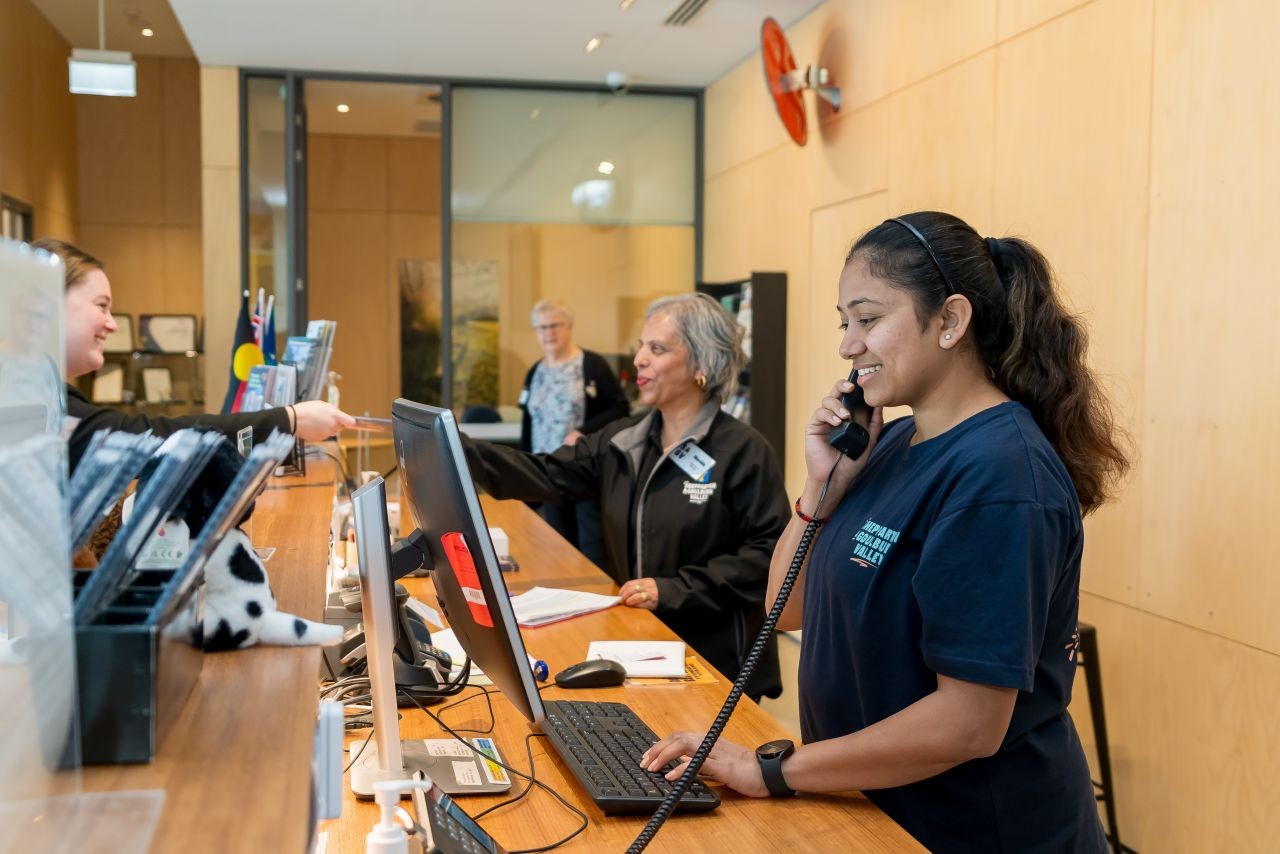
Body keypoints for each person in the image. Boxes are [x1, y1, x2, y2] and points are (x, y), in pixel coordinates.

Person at [643, 212, 1130, 852]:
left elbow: (968, 725)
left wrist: (769, 771)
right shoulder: (891, 439)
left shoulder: (1001, 476)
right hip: (874, 810)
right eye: (844, 323)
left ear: (951, 321)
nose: (848, 346)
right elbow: (785, 608)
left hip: (974, 829)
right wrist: (820, 489)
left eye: (869, 320)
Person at [465, 293, 789, 700]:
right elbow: (543, 473)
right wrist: (450, 446)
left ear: (703, 364)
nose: (638, 359)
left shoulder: (742, 451)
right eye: (641, 346)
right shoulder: (624, 439)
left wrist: (674, 590)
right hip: (640, 641)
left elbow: (769, 554)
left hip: (716, 662)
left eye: (657, 348)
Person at [34, 238, 356, 469]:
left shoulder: (49, 395)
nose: (111, 325)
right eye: (101, 306)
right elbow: (153, 438)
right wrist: (291, 419)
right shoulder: (36, 405)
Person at [519, 299, 628, 564]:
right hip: (547, 470)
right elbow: (528, 422)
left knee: (592, 547)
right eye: (541, 328)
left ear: (569, 327)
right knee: (557, 544)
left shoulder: (591, 365)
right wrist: (523, 467)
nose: (548, 333)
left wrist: (583, 430)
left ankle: (601, 599)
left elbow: (620, 407)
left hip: (582, 469)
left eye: (555, 325)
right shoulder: (535, 371)